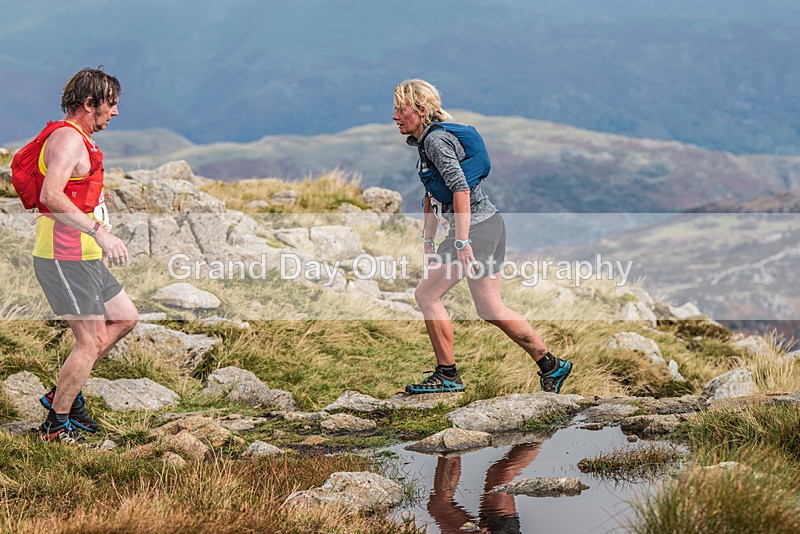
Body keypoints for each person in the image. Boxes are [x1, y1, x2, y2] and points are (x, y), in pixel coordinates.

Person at [392, 79, 573, 394]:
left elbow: (460, 188)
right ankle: (552, 366)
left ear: (420, 110)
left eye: (399, 108)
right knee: (490, 309)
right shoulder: (425, 142)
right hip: (489, 225)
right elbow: (431, 196)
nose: (394, 116)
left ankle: (447, 375)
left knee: (426, 296)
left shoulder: (436, 141)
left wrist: (461, 241)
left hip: (474, 229)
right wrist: (427, 239)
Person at [27, 68, 138, 443]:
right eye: (112, 104)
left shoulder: (80, 140)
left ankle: (64, 393)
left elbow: (74, 195)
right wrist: (99, 232)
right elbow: (51, 195)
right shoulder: (68, 140)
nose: (117, 112)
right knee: (89, 341)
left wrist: (95, 221)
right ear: (90, 104)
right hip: (63, 254)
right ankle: (56, 425)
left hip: (83, 254)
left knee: (124, 317)